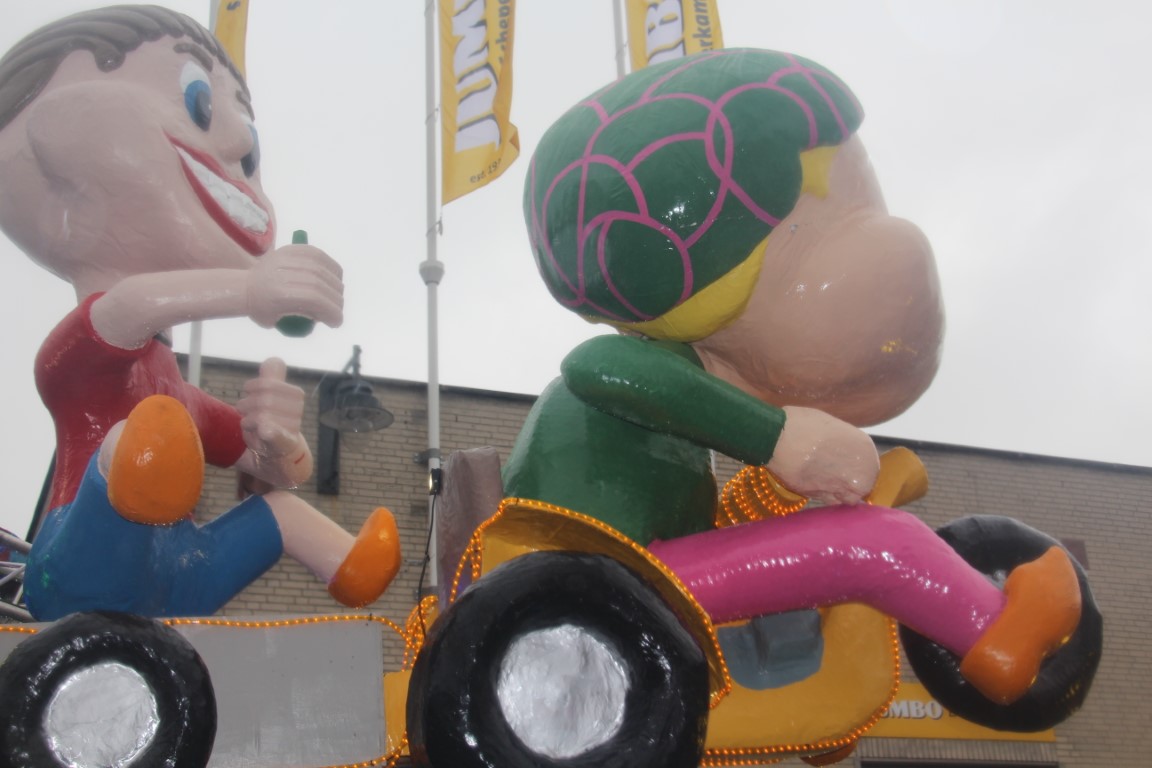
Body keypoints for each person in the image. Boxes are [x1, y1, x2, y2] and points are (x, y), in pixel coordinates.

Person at [509, 48, 1081, 706]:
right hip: (608, 574)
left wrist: (774, 464)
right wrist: (778, 438)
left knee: (810, 558)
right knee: (871, 545)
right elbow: (594, 365)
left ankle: (800, 690)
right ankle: (1000, 635)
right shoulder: (641, 365)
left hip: (633, 568)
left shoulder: (690, 378)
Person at [0, 6, 399, 620]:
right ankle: (139, 486)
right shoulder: (73, 359)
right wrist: (251, 293)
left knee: (274, 507)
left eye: (252, 150)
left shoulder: (181, 397)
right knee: (142, 435)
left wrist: (279, 441)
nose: (239, 145)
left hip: (182, 570)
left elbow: (280, 473)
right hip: (76, 569)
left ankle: (352, 565)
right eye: (200, 104)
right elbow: (128, 306)